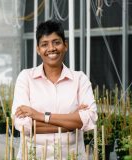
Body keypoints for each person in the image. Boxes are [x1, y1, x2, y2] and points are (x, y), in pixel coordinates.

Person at [12, 20, 98, 160]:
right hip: (34, 156)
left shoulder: (79, 79)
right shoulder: (26, 77)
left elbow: (90, 119)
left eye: (56, 42)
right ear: (38, 49)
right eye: (44, 44)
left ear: (65, 45)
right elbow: (23, 125)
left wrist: (39, 116)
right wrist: (71, 124)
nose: (51, 48)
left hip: (71, 156)